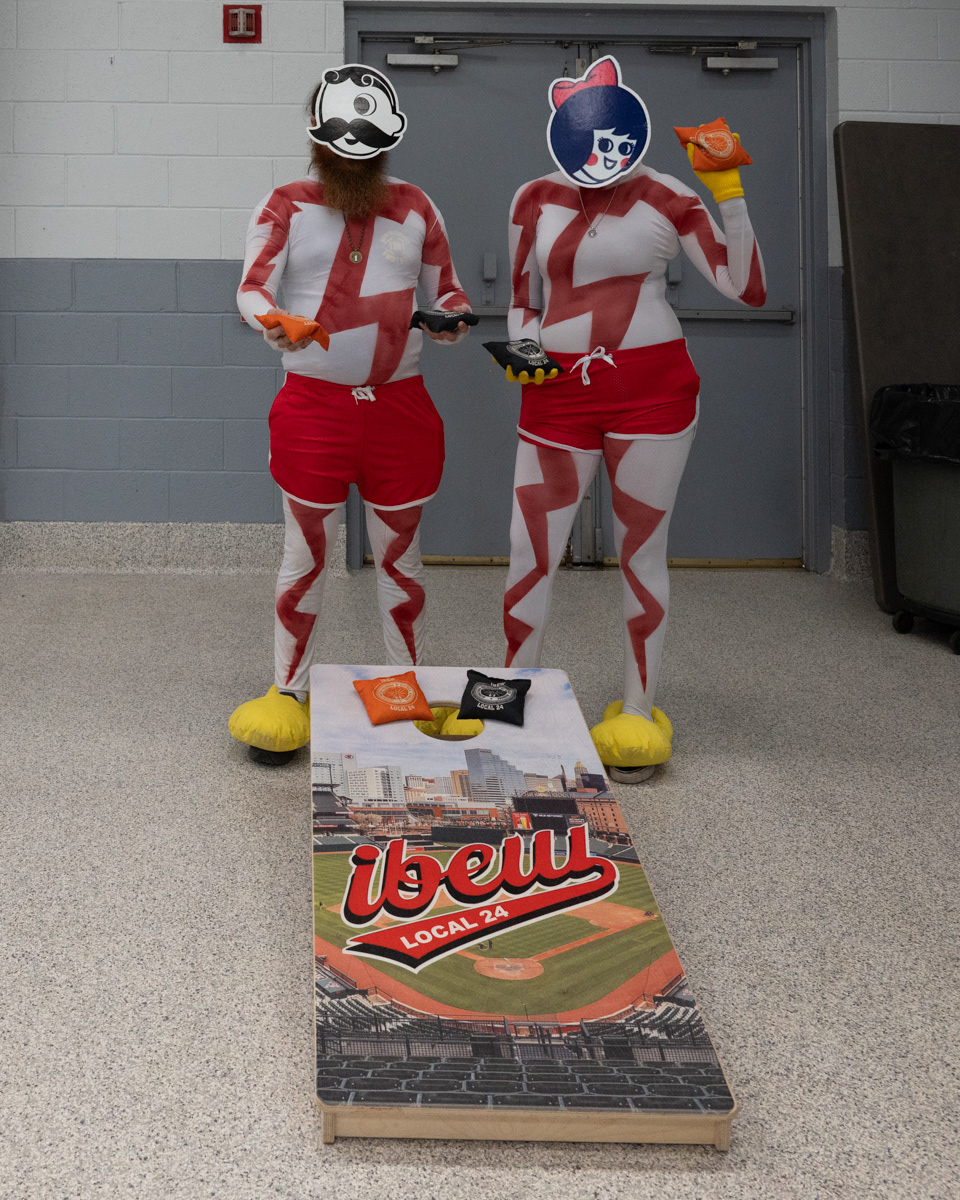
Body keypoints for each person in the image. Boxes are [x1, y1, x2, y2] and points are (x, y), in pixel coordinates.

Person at [490, 56, 766, 782]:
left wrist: (728, 191)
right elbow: (521, 300)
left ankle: (638, 709)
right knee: (528, 548)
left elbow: (747, 288)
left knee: (641, 551)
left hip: (653, 396)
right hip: (555, 396)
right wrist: (524, 350)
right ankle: (511, 698)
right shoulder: (533, 198)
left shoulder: (669, 195)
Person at [229, 64, 472, 765]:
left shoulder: (417, 206)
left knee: (402, 559)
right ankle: (288, 691)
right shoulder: (285, 204)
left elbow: (449, 293)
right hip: (314, 410)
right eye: (342, 133)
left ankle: (402, 687)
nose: (354, 149)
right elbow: (251, 289)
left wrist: (451, 320)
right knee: (304, 556)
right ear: (318, 137)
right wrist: (273, 322)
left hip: (401, 410)